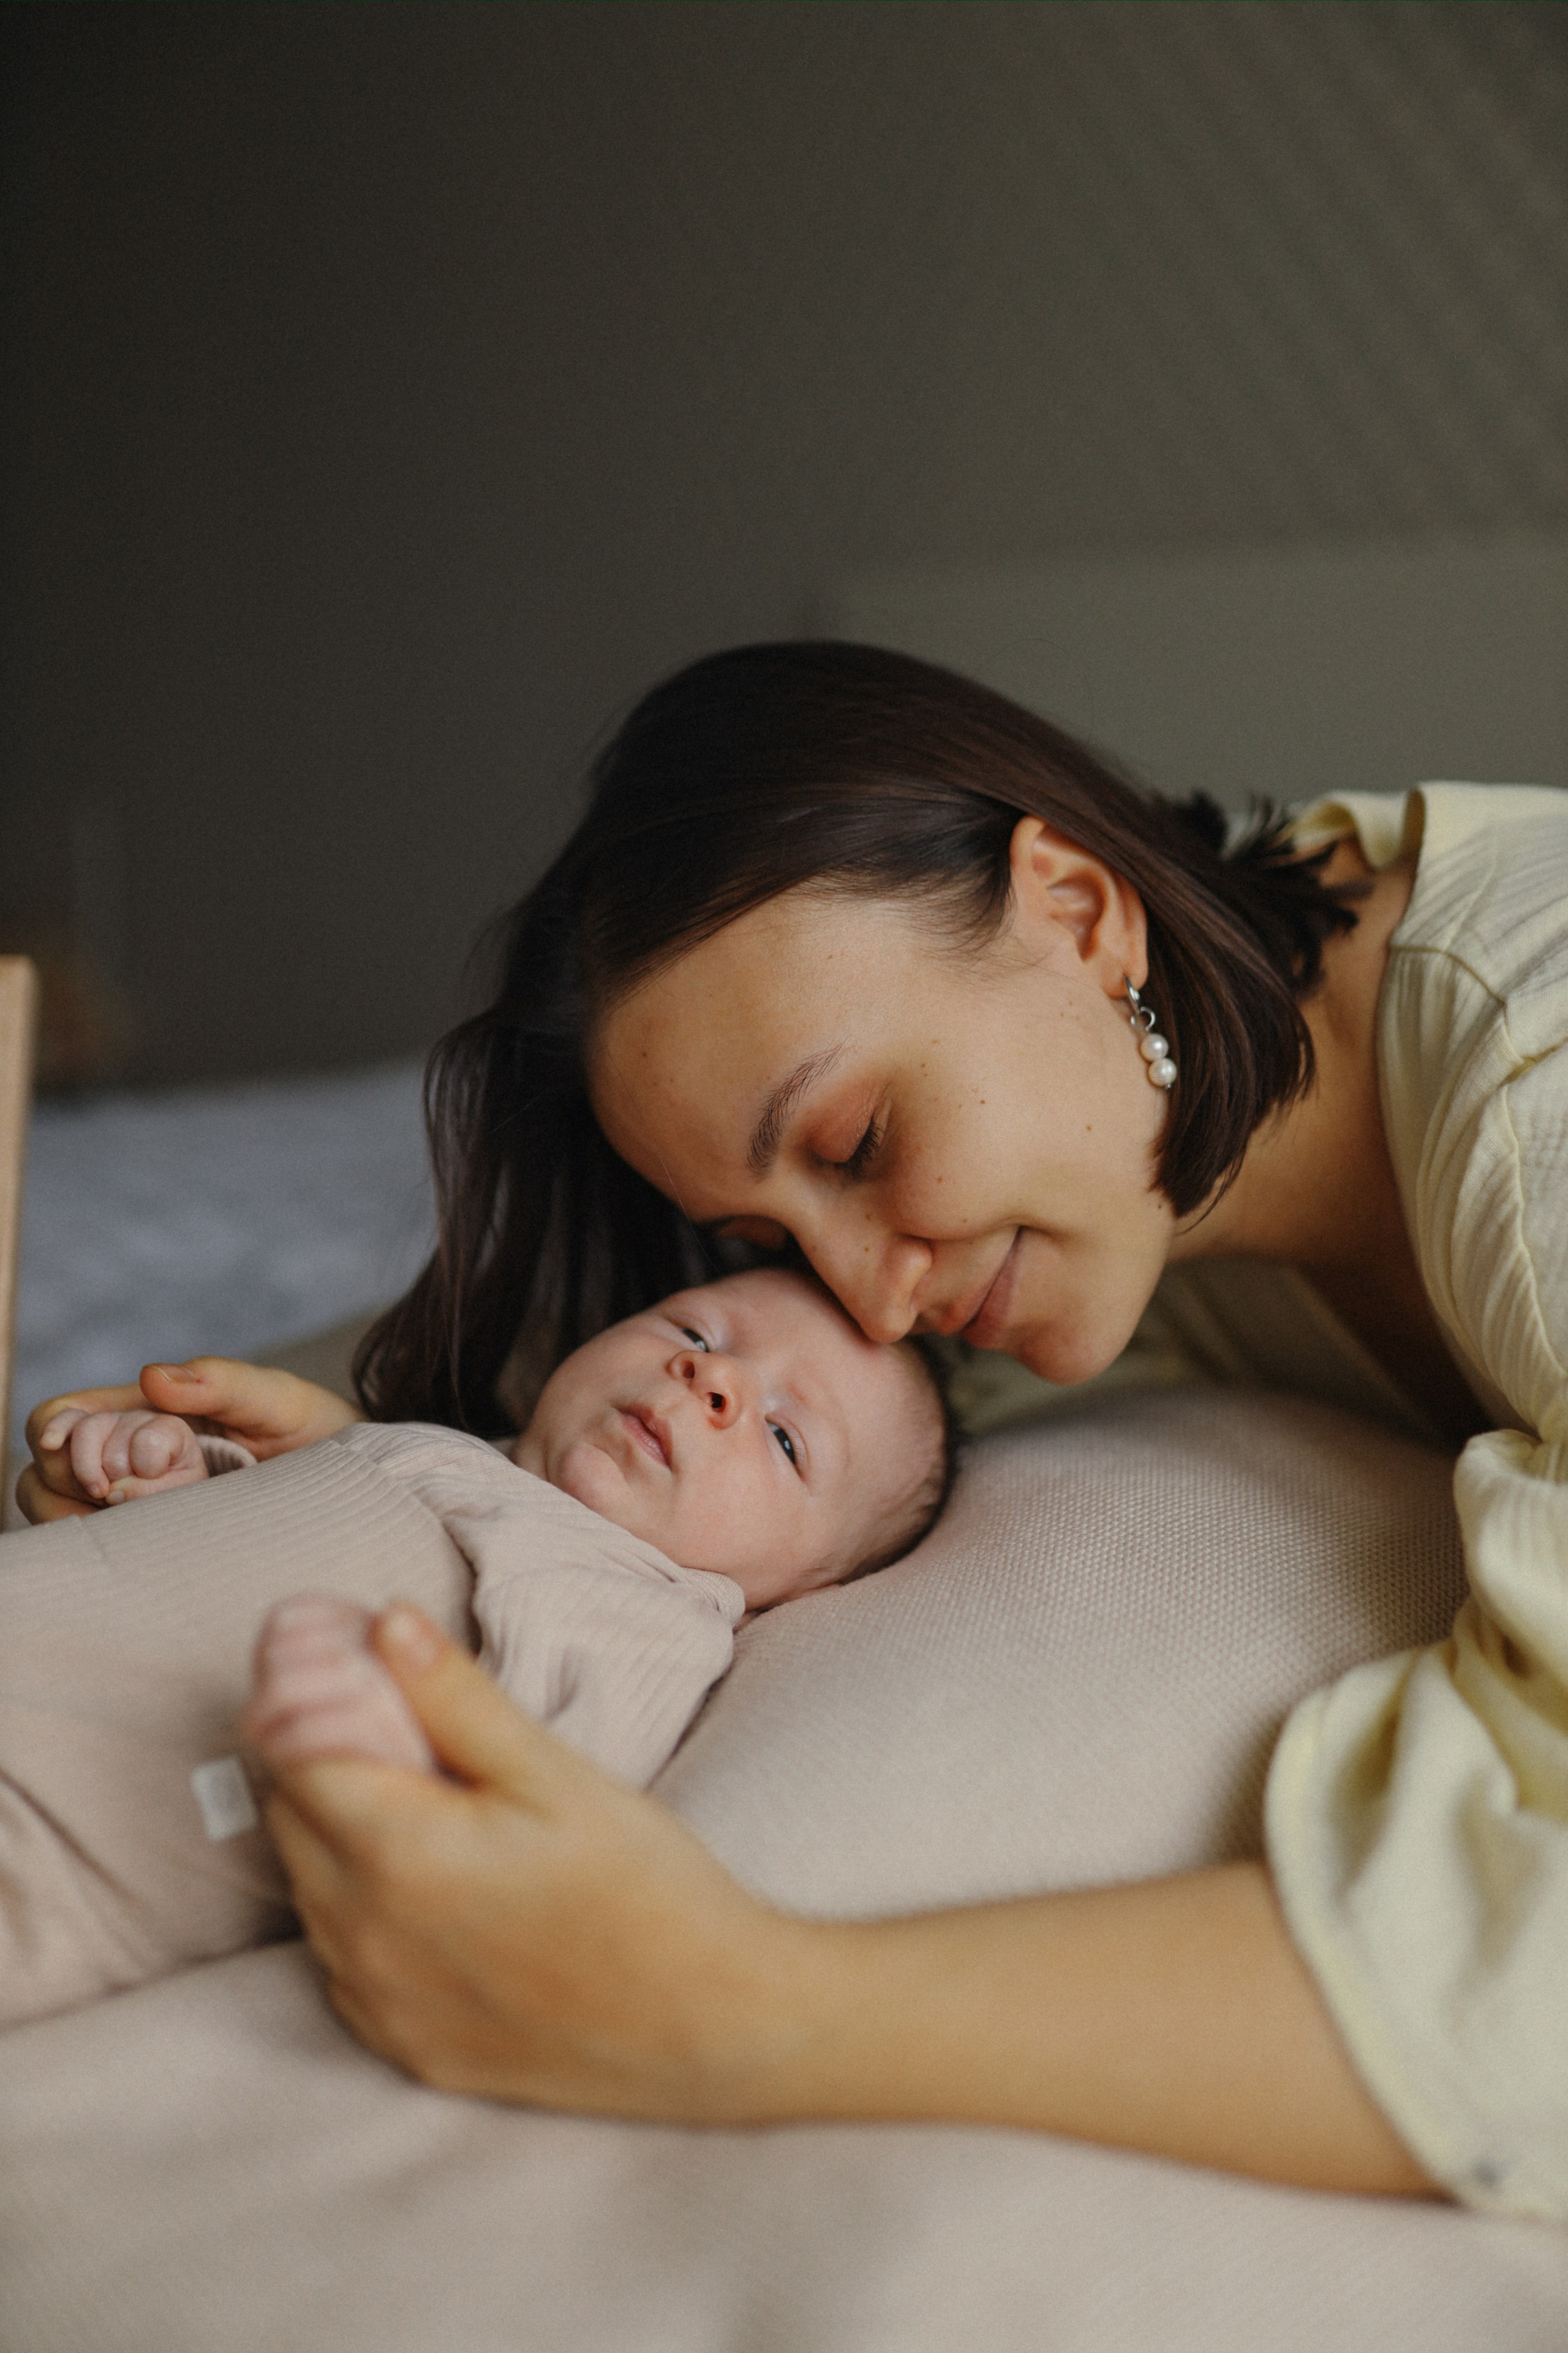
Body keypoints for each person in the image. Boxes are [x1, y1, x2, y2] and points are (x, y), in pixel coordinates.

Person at [22, 641, 1568, 2218]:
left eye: (857, 1139)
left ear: (1077, 909)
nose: (873, 1303)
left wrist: (725, 2004)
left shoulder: (1536, 1071)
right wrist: (381, 1485)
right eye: (765, 1245)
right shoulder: (1117, 1125)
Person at [0, 1266, 951, 2025]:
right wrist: (176, 1475)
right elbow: (266, 1540)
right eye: (695, 1334)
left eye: (785, 1438)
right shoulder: (452, 1451)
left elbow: (542, 1801)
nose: (716, 1378)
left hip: (71, 1832)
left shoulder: (643, 1612)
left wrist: (390, 1751)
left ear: (800, 1591)